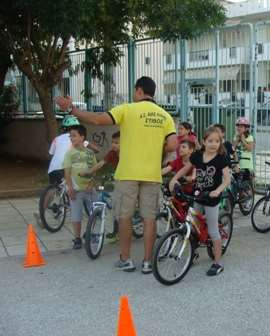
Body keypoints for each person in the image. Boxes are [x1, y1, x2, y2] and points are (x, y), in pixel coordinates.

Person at [56, 76, 177, 274]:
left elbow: (96, 119)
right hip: (152, 174)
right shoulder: (165, 116)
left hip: (128, 173)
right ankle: (147, 263)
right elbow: (173, 144)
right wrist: (156, 150)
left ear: (139, 91)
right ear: (152, 92)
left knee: (125, 217)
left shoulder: (128, 109)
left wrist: (71, 109)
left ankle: (126, 259)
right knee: (149, 219)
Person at [169, 127, 231, 276]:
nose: (213, 144)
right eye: (210, 141)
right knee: (193, 226)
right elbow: (185, 169)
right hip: (198, 195)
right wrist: (174, 179)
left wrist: (218, 191)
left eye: (217, 141)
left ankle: (217, 263)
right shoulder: (197, 155)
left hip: (211, 199)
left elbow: (227, 179)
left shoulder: (221, 158)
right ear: (204, 142)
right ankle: (193, 252)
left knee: (213, 231)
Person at [63, 125, 97, 249]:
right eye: (70, 136)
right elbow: (67, 172)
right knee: (76, 215)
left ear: (82, 137)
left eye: (74, 135)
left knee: (94, 213)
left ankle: (90, 233)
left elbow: (94, 170)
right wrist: (70, 188)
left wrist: (91, 183)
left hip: (89, 189)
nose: (71, 138)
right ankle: (77, 238)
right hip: (76, 190)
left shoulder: (90, 153)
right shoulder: (69, 154)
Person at [47, 115, 98, 185]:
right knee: (77, 188)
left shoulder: (56, 139)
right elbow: (96, 149)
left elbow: (51, 153)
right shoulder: (76, 139)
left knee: (56, 191)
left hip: (52, 170)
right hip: (66, 169)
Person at [233, 117, 255, 183]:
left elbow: (250, 149)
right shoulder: (236, 136)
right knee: (237, 184)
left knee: (246, 183)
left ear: (246, 128)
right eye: (238, 126)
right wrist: (237, 140)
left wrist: (243, 140)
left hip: (246, 165)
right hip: (237, 164)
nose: (239, 128)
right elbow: (232, 149)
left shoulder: (250, 137)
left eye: (241, 127)